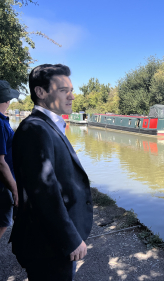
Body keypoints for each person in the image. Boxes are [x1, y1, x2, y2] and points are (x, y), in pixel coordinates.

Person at [10, 64, 93, 281]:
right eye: (64, 90)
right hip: (49, 246)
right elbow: (44, 194)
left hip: (53, 243)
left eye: (71, 90)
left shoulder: (48, 126)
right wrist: (71, 239)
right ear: (41, 92)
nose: (72, 96)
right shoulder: (35, 130)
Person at [0, 80, 20, 240]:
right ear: (6, 100)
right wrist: (15, 190)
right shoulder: (0, 124)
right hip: (3, 184)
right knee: (3, 222)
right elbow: (0, 162)